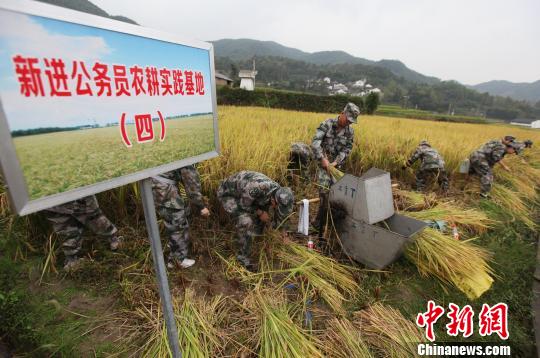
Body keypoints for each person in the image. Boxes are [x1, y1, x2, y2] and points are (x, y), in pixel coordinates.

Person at [217, 171, 294, 270]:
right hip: (230, 195)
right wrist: (260, 213)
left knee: (264, 214)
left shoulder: (280, 193)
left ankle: (255, 239)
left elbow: (282, 214)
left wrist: (284, 234)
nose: (278, 209)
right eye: (277, 207)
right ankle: (242, 258)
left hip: (248, 198)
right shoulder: (257, 187)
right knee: (246, 221)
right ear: (274, 201)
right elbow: (243, 205)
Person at [311, 102, 360, 237]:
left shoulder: (350, 132)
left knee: (337, 194)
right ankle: (319, 223)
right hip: (323, 164)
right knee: (325, 191)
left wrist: (337, 161)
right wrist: (323, 160)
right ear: (343, 113)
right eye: (348, 119)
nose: (349, 123)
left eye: (351, 121)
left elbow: (347, 149)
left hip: (336, 167)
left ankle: (330, 221)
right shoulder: (327, 124)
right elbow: (315, 143)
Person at [152, 165, 210, 269]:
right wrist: (201, 206)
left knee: (175, 216)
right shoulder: (188, 158)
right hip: (163, 188)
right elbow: (192, 185)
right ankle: (177, 260)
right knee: (177, 221)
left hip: (155, 183)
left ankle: (174, 246)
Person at [45, 195, 123, 271]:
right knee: (65, 226)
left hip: (72, 196)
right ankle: (72, 260)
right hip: (53, 200)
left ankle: (114, 239)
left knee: (94, 218)